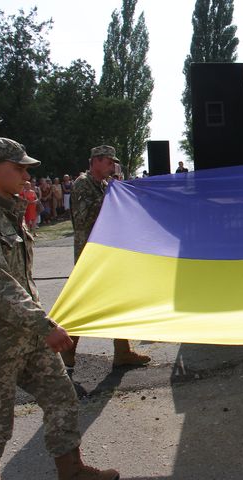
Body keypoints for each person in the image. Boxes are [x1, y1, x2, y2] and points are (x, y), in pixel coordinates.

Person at [0, 137, 119, 480]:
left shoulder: (10, 213)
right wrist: (46, 326)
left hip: (30, 337)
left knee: (62, 396)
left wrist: (41, 326)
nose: (26, 176)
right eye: (19, 168)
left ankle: (71, 470)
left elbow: (22, 281)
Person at [65, 145, 151, 370]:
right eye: (109, 162)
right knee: (83, 303)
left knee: (118, 298)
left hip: (107, 251)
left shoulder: (104, 185)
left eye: (113, 163)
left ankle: (122, 351)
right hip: (90, 254)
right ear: (95, 161)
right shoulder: (83, 184)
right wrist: (112, 195)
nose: (112, 166)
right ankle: (67, 351)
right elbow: (83, 218)